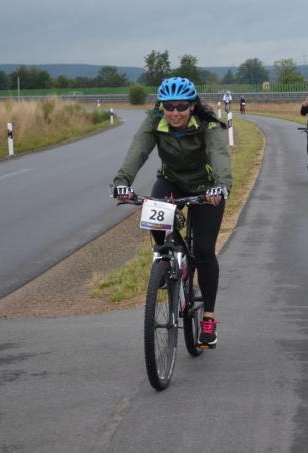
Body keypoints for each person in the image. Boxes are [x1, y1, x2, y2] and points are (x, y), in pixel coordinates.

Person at [112, 77, 232, 347]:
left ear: (192, 106)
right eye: (168, 107)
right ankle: (170, 262)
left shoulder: (207, 125)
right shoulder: (155, 122)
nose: (174, 113)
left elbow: (219, 156)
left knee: (203, 250)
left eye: (181, 106)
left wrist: (222, 186)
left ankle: (209, 318)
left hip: (207, 188)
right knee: (153, 215)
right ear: (161, 106)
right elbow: (137, 152)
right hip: (172, 181)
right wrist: (122, 183)